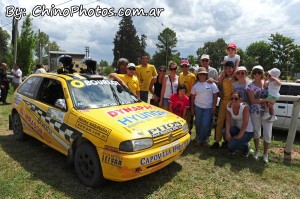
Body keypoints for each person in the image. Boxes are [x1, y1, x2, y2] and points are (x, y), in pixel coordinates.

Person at [247, 65, 275, 163]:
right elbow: (253, 100)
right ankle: (257, 151)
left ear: (262, 74)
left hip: (267, 111)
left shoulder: (267, 83)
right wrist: (266, 99)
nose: (257, 74)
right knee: (256, 132)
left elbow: (274, 92)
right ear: (252, 74)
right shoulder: (250, 86)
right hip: (255, 111)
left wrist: (272, 100)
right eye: (255, 72)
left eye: (259, 72)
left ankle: (265, 153)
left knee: (267, 134)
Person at [191, 67, 219, 147]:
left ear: (206, 75)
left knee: (205, 124)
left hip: (208, 107)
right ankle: (200, 139)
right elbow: (192, 97)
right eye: (200, 74)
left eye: (204, 74)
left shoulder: (211, 84)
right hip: (198, 107)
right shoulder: (195, 85)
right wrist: (192, 108)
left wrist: (214, 106)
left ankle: (203, 139)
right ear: (198, 75)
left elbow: (215, 95)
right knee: (198, 123)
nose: (202, 75)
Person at [212, 61, 235, 149]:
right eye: (226, 68)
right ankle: (217, 141)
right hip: (223, 101)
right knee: (220, 121)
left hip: (233, 102)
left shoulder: (235, 79)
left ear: (233, 69)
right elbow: (219, 88)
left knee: (231, 123)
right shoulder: (222, 79)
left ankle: (228, 141)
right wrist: (220, 93)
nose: (228, 70)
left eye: (230, 68)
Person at [223, 91, 254, 156]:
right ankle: (234, 145)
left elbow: (245, 122)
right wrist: (227, 132)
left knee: (231, 144)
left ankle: (246, 148)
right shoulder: (229, 107)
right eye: (232, 99)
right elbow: (228, 121)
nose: (233, 100)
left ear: (240, 99)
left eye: (236, 98)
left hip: (248, 131)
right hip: (237, 129)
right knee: (224, 132)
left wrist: (239, 135)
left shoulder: (245, 107)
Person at [178, 58, 196, 133]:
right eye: (183, 66)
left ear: (188, 67)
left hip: (189, 99)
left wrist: (185, 97)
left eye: (186, 66)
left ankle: (188, 131)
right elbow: (179, 86)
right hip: (181, 98)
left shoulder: (192, 76)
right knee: (181, 115)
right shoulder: (180, 75)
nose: (184, 68)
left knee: (188, 117)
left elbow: (192, 90)